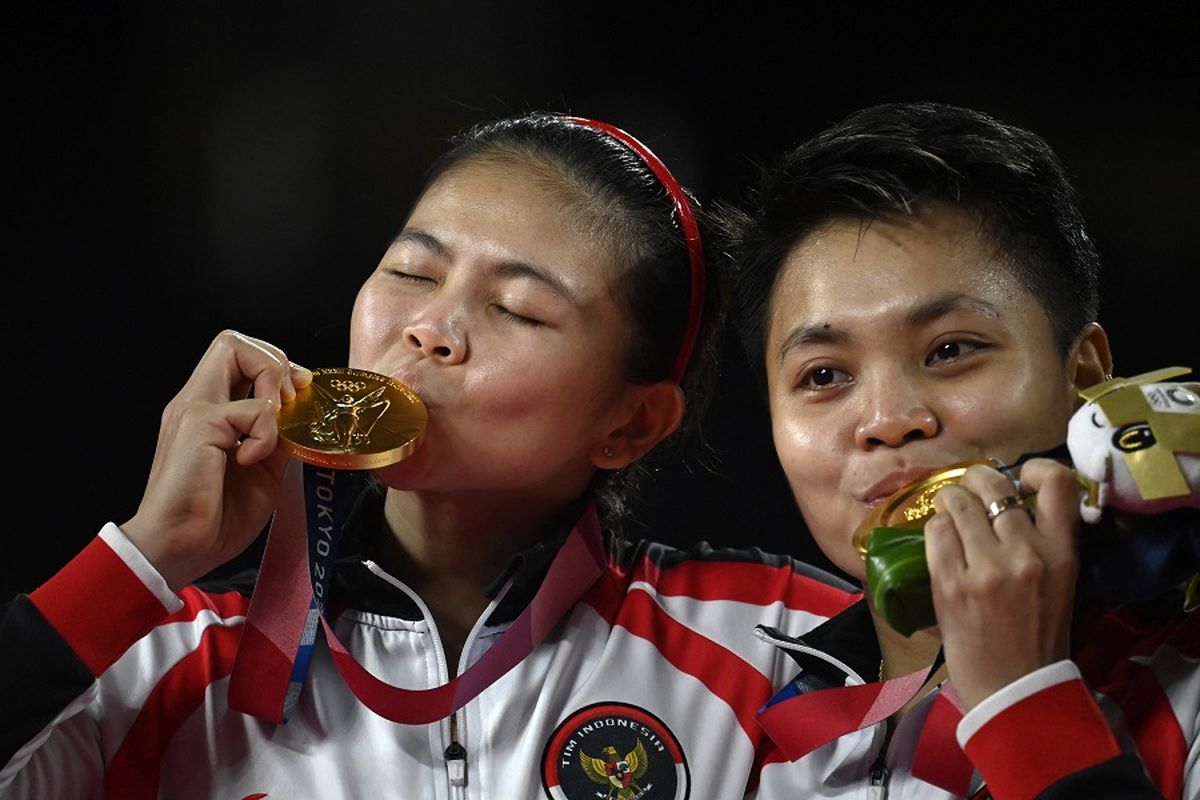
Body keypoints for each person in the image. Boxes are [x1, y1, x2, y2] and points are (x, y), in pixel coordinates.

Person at [0, 113, 856, 799]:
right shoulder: (167, 661)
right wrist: (145, 559)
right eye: (413, 273)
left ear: (631, 426)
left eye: (518, 309)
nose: (431, 330)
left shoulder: (788, 648)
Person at [721, 101, 1197, 799]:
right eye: (823, 376)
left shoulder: (1184, 683)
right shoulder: (725, 729)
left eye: (951, 351)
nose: (887, 420)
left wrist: (1024, 698)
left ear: (1085, 376)